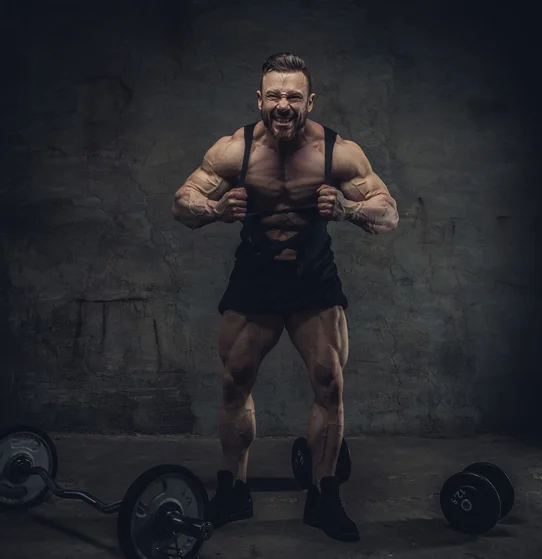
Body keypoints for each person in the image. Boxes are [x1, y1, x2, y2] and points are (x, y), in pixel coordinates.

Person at [172, 52, 399, 542]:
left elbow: (388, 214)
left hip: (313, 279)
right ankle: (233, 490)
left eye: (293, 95)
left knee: (329, 384)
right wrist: (214, 208)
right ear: (259, 99)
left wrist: (346, 209)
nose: (282, 104)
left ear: (309, 101)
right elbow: (182, 203)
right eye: (273, 94)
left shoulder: (339, 152)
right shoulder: (235, 150)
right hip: (255, 276)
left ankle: (324, 495)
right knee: (235, 383)